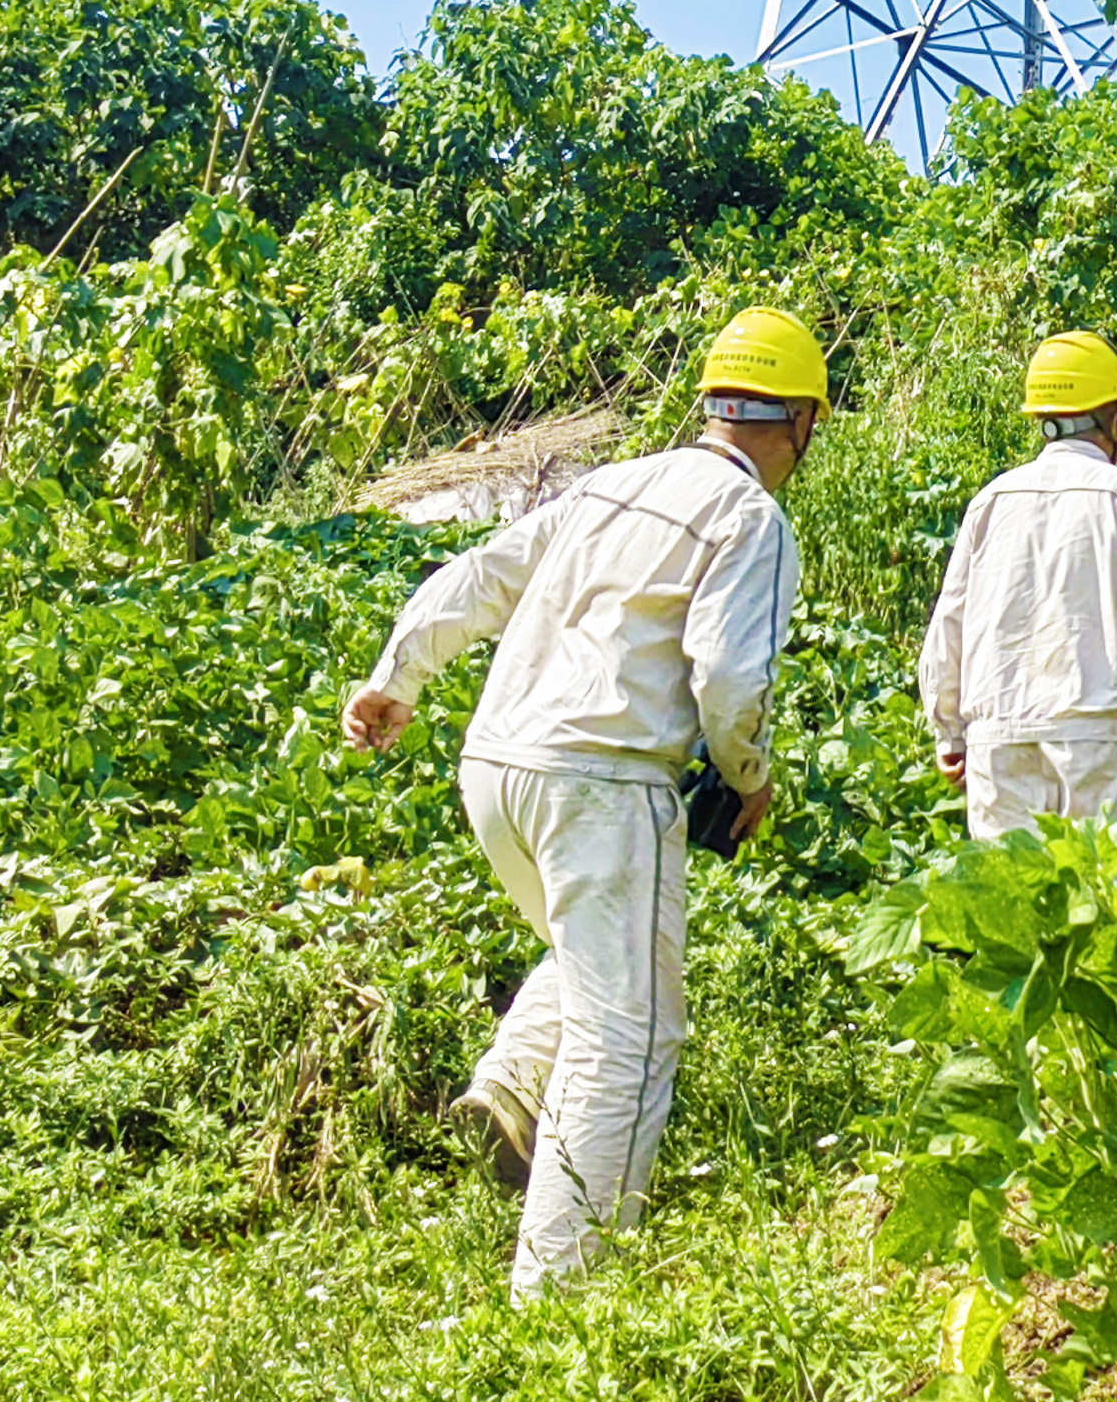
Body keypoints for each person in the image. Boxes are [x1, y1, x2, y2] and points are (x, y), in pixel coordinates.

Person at [337, 304, 825, 1297]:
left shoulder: (612, 485)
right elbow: (730, 679)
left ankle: (514, 1094)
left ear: (711, 405)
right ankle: (559, 1307)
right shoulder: (749, 519)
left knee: (596, 955)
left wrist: (399, 674)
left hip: (497, 770)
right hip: (598, 786)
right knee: (627, 1040)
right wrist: (750, 777)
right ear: (803, 420)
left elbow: (479, 577)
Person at [918, 329, 1117, 844]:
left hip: (999, 746)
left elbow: (948, 627)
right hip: (1097, 744)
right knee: (1111, 910)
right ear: (1113, 417)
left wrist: (949, 732)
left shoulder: (990, 502)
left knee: (1011, 910)